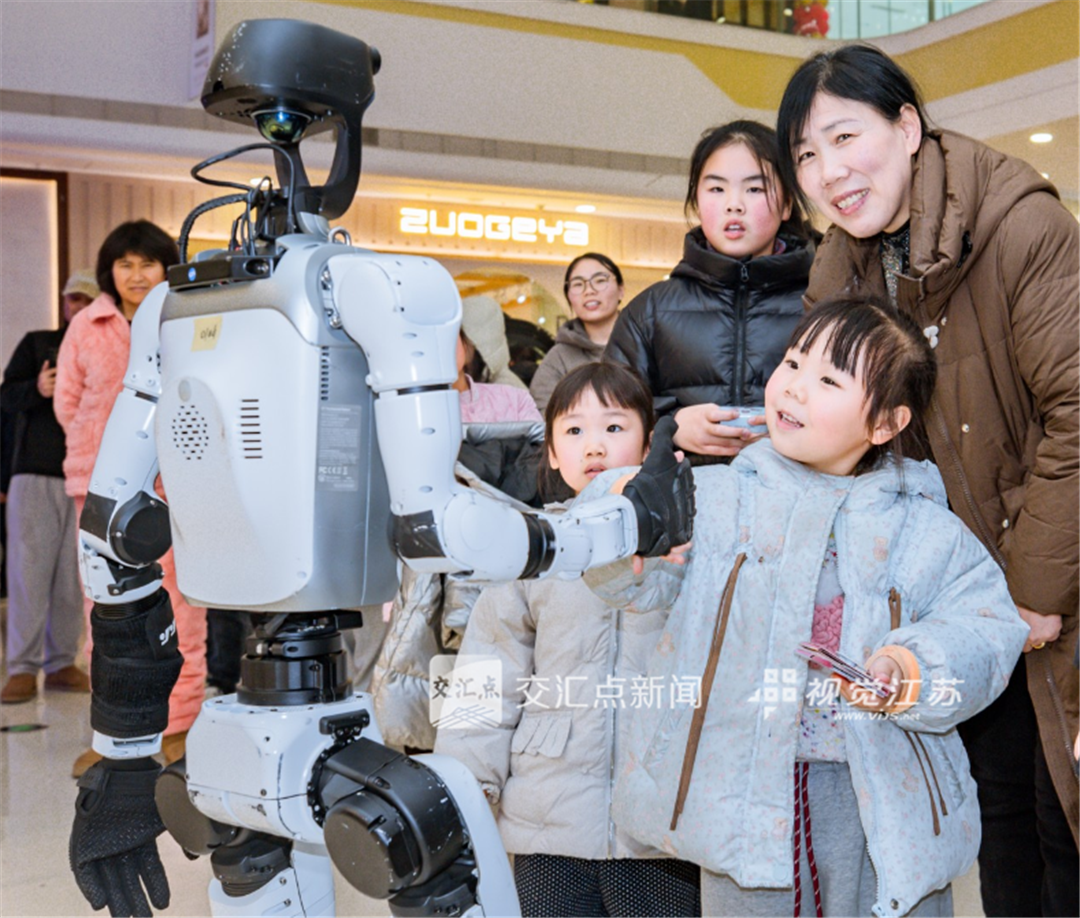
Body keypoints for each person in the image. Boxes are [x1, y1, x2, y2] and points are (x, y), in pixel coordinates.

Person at [584, 297, 1028, 917]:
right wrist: (626, 516)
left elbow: (986, 628)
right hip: (740, 794)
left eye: (828, 380)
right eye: (793, 363)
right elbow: (628, 577)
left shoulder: (923, 527)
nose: (794, 386)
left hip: (885, 800)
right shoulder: (718, 500)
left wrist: (912, 668)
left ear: (885, 423)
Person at [776, 44, 1079, 917]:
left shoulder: (1023, 227)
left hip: (1055, 576)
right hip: (957, 601)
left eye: (845, 137)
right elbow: (836, 427)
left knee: (1064, 818)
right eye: (806, 154)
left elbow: (1076, 413)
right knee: (999, 818)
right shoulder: (842, 264)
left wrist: (1033, 591)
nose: (829, 172)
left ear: (908, 127)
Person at [435, 361, 701, 917]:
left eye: (614, 426)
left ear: (649, 443)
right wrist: (468, 783)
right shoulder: (533, 550)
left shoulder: (688, 544)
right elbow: (486, 676)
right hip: (546, 817)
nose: (594, 445)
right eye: (574, 430)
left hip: (658, 829)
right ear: (553, 452)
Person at [54, 220, 207, 777]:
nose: (136, 275)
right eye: (125, 264)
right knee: (106, 611)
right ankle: (115, 733)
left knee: (183, 608)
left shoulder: (185, 317)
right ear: (110, 271)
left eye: (148, 263)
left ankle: (180, 726)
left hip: (176, 485)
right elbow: (67, 403)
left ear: (167, 268)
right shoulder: (87, 325)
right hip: (98, 486)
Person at [371, 315, 543, 751]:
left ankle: (476, 756)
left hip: (502, 550)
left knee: (504, 667)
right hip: (434, 559)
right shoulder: (398, 412)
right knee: (440, 668)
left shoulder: (511, 399)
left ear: (465, 344)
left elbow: (534, 468)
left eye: (447, 340)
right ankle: (446, 753)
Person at [605, 120, 814, 465]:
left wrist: (793, 428)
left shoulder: (822, 303)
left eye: (755, 189)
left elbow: (856, 409)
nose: (734, 204)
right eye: (717, 189)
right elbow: (607, 416)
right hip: (682, 494)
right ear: (696, 201)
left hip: (801, 492)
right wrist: (669, 426)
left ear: (787, 204)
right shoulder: (649, 311)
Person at [0, 269, 99, 704]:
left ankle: (61, 663)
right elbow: (6, 398)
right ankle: (21, 668)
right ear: (64, 303)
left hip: (86, 475)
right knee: (28, 573)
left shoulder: (106, 348)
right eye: (74, 299)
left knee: (74, 578)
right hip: (36, 474)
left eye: (88, 300)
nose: (79, 307)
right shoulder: (38, 344)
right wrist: (38, 388)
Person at [529, 252, 624, 414]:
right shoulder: (558, 358)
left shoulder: (646, 345)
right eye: (578, 284)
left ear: (621, 290)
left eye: (600, 280)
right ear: (568, 297)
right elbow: (543, 413)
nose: (589, 291)